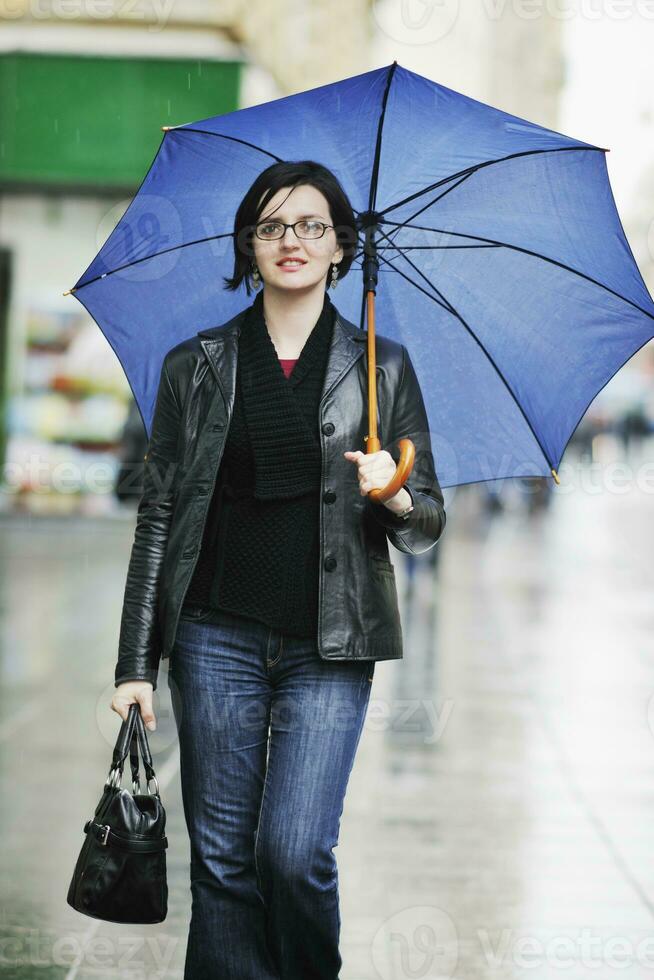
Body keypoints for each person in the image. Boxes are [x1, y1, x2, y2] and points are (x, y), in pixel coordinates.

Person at [110, 160, 446, 979]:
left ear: (341, 248)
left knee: (294, 854)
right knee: (222, 864)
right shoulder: (198, 364)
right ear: (248, 245)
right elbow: (160, 515)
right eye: (270, 226)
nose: (289, 241)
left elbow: (429, 521)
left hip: (329, 644)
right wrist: (134, 665)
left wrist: (393, 495)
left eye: (310, 226)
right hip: (214, 636)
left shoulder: (383, 367)